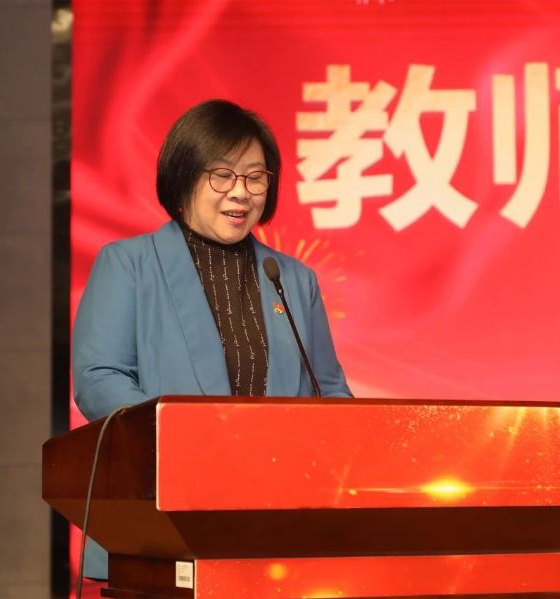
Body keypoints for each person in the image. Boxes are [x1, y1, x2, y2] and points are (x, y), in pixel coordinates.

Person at [72, 99, 352, 578]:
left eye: (255, 177)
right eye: (221, 175)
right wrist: (184, 440)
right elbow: (99, 378)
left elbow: (330, 391)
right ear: (183, 178)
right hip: (165, 514)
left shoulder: (293, 279)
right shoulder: (130, 264)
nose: (240, 192)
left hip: (278, 521)